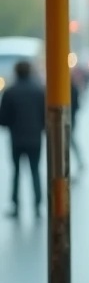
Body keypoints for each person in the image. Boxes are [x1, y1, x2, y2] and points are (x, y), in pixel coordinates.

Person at [0, 60, 46, 218]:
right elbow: (45, 116)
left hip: (17, 139)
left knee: (16, 172)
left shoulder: (10, 92)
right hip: (35, 138)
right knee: (35, 171)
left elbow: (3, 119)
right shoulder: (39, 91)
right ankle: (38, 204)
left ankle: (16, 205)